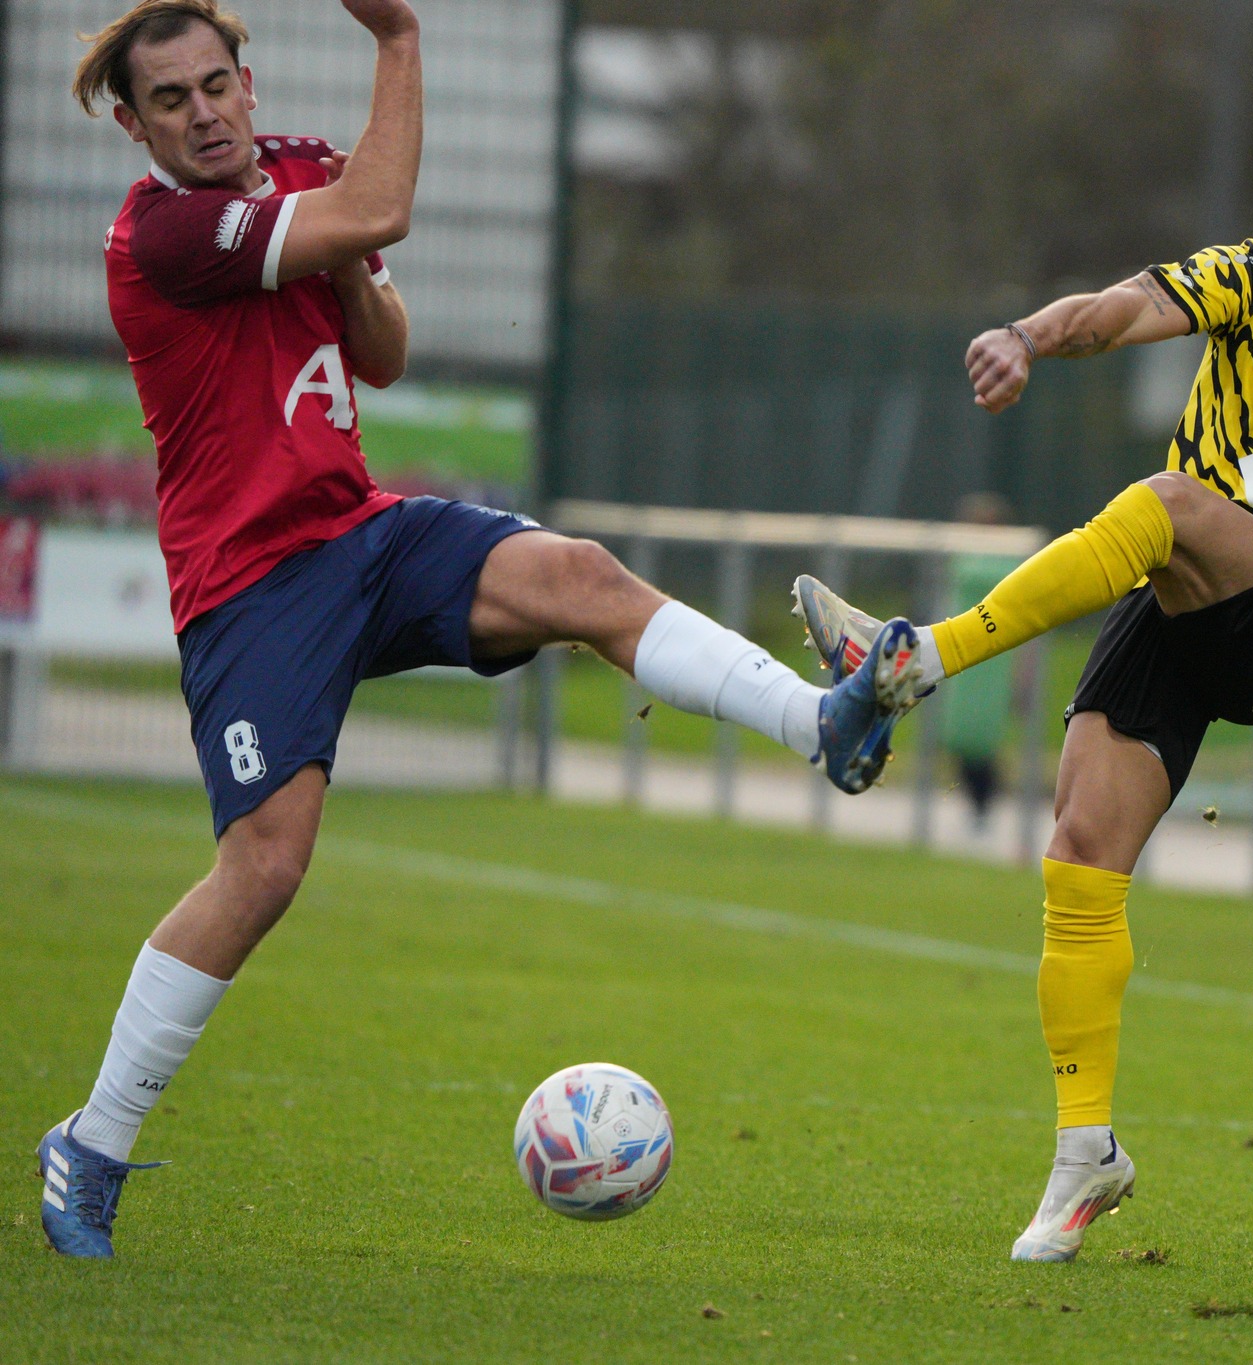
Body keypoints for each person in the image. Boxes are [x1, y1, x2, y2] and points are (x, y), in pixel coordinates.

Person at [35, 0, 918, 1261]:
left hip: (362, 533)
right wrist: (398, 38)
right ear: (132, 124)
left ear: (245, 73)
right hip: (251, 585)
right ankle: (95, 1138)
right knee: (266, 871)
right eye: (169, 101)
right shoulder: (162, 230)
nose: (204, 113)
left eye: (214, 82)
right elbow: (382, 209)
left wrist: (339, 253)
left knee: (580, 577)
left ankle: (819, 722)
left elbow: (382, 352)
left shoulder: (293, 171)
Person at [794, 115, 1253, 1261]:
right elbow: (1120, 309)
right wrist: (1024, 335)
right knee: (1077, 857)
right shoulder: (1249, 280)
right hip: (1176, 596)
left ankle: (912, 661)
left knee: (1165, 501)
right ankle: (1084, 1158)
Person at [940, 493, 1023, 827]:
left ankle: (984, 803)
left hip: (996, 657)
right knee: (959, 733)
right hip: (961, 650)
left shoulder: (1012, 560)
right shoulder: (959, 556)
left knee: (984, 734)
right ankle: (977, 803)